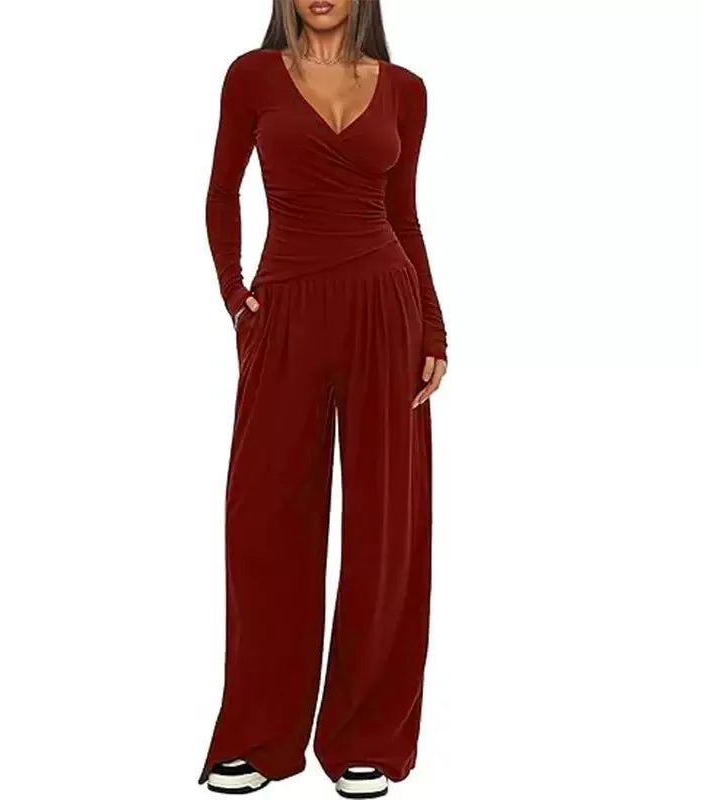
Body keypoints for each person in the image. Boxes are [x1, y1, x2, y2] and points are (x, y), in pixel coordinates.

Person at [198, 1, 448, 796]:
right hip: (286, 310)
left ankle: (365, 736)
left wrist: (433, 328)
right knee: (265, 519)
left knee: (386, 528)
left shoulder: (405, 89)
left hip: (385, 307)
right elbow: (221, 195)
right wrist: (237, 300)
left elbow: (404, 215)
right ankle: (258, 735)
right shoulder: (251, 76)